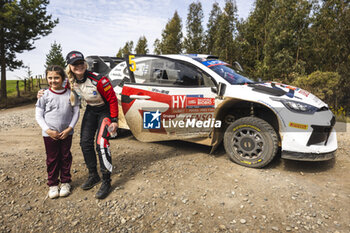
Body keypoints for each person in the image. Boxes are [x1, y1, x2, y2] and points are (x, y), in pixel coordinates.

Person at [39, 51, 119, 199]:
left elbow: (113, 100)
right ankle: (93, 175)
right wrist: (42, 92)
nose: (78, 66)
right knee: (84, 142)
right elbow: (55, 86)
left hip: (105, 111)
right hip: (91, 110)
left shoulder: (99, 80)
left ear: (85, 63)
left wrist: (114, 120)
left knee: (101, 144)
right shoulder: (69, 81)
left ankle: (106, 181)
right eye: (75, 64)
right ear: (70, 66)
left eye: (81, 63)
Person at [35, 65, 80, 199]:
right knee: (52, 159)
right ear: (46, 78)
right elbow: (39, 115)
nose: (53, 80)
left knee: (65, 157)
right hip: (50, 134)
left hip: (66, 133)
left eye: (56, 77)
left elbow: (76, 112)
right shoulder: (44, 95)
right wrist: (48, 131)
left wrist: (69, 128)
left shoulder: (71, 94)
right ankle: (53, 184)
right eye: (50, 78)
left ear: (63, 78)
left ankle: (65, 182)